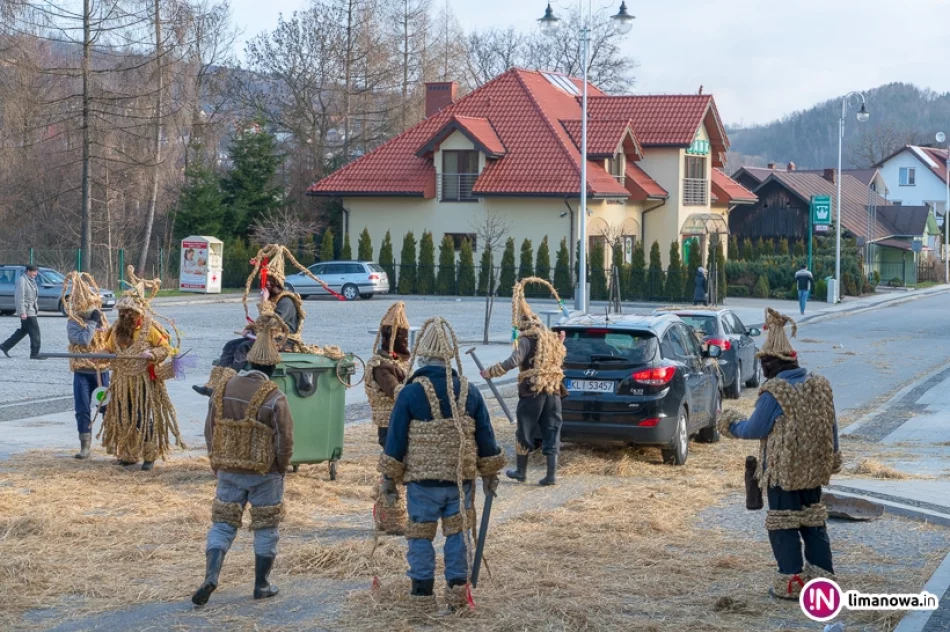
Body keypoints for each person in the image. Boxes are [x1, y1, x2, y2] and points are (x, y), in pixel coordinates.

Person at [379, 317, 505, 611]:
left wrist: (389, 479)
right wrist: (490, 474)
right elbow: (486, 436)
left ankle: (422, 596)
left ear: (422, 355)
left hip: (422, 483)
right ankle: (456, 595)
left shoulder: (410, 392)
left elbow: (395, 440)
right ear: (449, 355)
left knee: (420, 536)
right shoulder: (469, 391)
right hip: (460, 482)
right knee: (457, 536)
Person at [718, 308, 842, 601]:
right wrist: (832, 457)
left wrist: (730, 423)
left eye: (764, 364)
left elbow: (755, 429)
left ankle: (792, 583)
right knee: (813, 522)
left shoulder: (775, 392)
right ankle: (823, 580)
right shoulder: (819, 385)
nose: (761, 370)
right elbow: (832, 427)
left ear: (773, 364)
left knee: (783, 526)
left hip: (783, 473)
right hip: (813, 471)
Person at [192, 313, 294, 606]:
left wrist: (215, 460)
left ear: (247, 362)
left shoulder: (222, 389)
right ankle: (261, 585)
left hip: (228, 468)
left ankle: (211, 575)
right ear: (272, 367)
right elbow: (284, 439)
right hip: (264, 474)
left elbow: (210, 428)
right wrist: (281, 467)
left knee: (223, 524)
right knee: (265, 527)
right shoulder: (275, 396)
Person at [482, 277, 566, 486]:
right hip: (553, 391)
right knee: (552, 428)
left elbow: (514, 361)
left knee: (525, 430)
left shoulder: (527, 340)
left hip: (533, 392)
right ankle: (551, 475)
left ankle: (521, 471)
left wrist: (491, 372)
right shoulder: (550, 339)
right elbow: (560, 356)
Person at [100, 267, 185, 471]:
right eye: (121, 312)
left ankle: (149, 454)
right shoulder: (116, 329)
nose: (124, 315)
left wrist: (153, 354)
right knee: (123, 416)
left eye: (128, 312)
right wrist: (101, 354)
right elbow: (108, 348)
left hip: (143, 381)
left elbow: (165, 348)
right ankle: (128, 454)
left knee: (141, 417)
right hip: (121, 380)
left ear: (137, 311)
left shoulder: (149, 328)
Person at [194, 257, 303, 397]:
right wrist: (251, 329)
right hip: (268, 337)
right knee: (230, 345)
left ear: (277, 282)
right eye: (265, 281)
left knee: (243, 348)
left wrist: (264, 302)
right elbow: (262, 323)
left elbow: (273, 322)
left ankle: (227, 386)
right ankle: (214, 384)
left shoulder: (286, 300)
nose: (267, 284)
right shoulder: (273, 299)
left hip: (284, 339)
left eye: (270, 280)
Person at [365, 301, 411, 535]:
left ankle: (401, 513)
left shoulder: (397, 363)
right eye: (403, 339)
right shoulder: (381, 367)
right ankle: (390, 517)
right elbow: (397, 392)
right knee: (392, 472)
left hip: (402, 424)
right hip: (390, 427)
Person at [64, 272, 111, 460]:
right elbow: (84, 340)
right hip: (82, 372)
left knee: (106, 407)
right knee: (83, 408)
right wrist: (92, 322)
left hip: (101, 371)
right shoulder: (73, 323)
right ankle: (85, 445)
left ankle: (112, 440)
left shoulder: (103, 319)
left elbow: (109, 340)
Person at [1, 265, 41, 359]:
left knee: (23, 331)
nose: (36, 274)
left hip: (31, 309)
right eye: (34, 271)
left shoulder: (32, 280)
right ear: (28, 271)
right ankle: (34, 353)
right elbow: (19, 298)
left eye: (36, 272)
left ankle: (5, 346)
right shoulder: (22, 281)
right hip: (27, 311)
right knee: (35, 332)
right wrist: (22, 312)